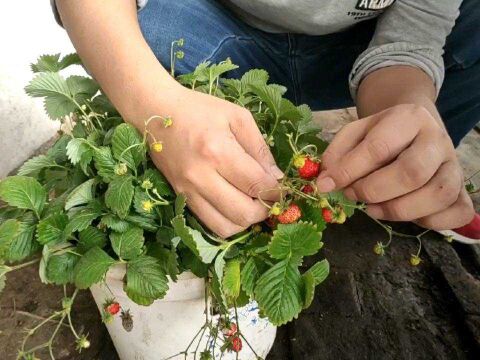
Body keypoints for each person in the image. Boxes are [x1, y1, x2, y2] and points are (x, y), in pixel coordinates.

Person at [53, 0, 479, 241]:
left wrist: (405, 110)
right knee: (156, 39)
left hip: (350, 49)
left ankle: (408, 184)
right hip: (224, 28)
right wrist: (155, 106)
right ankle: (208, 189)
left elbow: (415, 31)